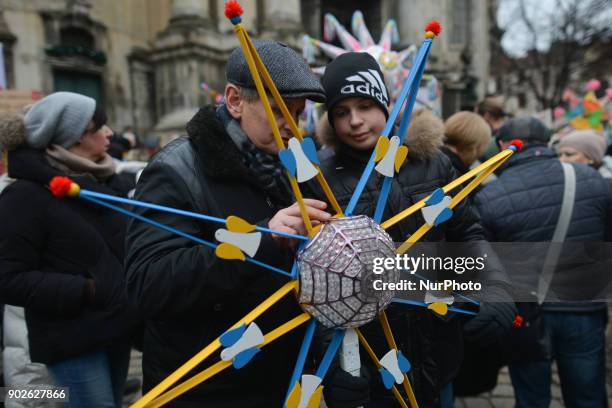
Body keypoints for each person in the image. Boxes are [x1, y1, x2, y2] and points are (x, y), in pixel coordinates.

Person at [124, 40, 331, 407]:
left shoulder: (293, 166)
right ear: (235, 100)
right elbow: (149, 284)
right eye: (279, 111)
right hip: (205, 388)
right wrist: (262, 238)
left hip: (281, 379)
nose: (292, 128)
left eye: (298, 114)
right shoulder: (176, 169)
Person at [316, 52, 516, 407]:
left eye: (365, 106)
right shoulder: (320, 179)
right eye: (342, 112)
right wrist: (334, 365)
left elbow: (467, 233)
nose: (356, 121)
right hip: (370, 353)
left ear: (386, 104)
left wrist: (494, 286)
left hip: (438, 343)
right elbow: (317, 280)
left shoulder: (433, 161)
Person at [0, 92, 139, 407]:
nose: (109, 134)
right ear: (73, 138)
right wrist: (87, 290)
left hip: (114, 330)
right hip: (72, 341)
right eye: (98, 128)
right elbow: (7, 277)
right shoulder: (24, 196)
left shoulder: (97, 183)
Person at [475, 116, 612, 408]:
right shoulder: (591, 179)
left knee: (531, 397)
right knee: (588, 396)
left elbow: (486, 264)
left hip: (526, 313)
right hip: (583, 306)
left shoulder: (490, 195)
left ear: (503, 146)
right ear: (548, 143)